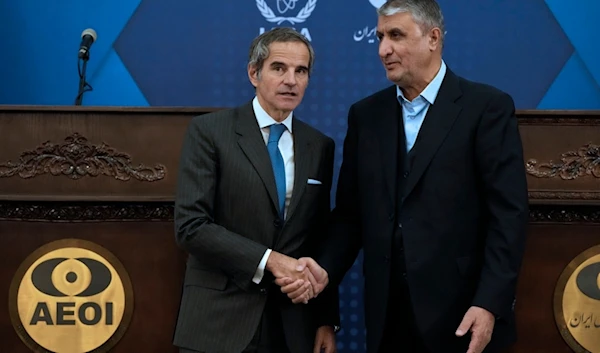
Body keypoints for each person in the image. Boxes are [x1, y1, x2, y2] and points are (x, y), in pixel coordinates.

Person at [280, 0, 529, 352]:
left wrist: (489, 303)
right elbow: (351, 216)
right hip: (387, 318)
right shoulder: (366, 116)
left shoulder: (486, 108)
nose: (384, 49)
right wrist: (325, 269)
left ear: (433, 37)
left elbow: (509, 216)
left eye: (396, 35)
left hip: (463, 317)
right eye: (380, 36)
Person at [172, 27, 339, 353]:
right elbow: (191, 227)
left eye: (301, 71)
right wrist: (271, 260)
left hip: (292, 327)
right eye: (279, 68)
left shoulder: (320, 146)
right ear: (254, 73)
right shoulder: (210, 132)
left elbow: (319, 238)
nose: (291, 80)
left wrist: (324, 319)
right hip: (219, 323)